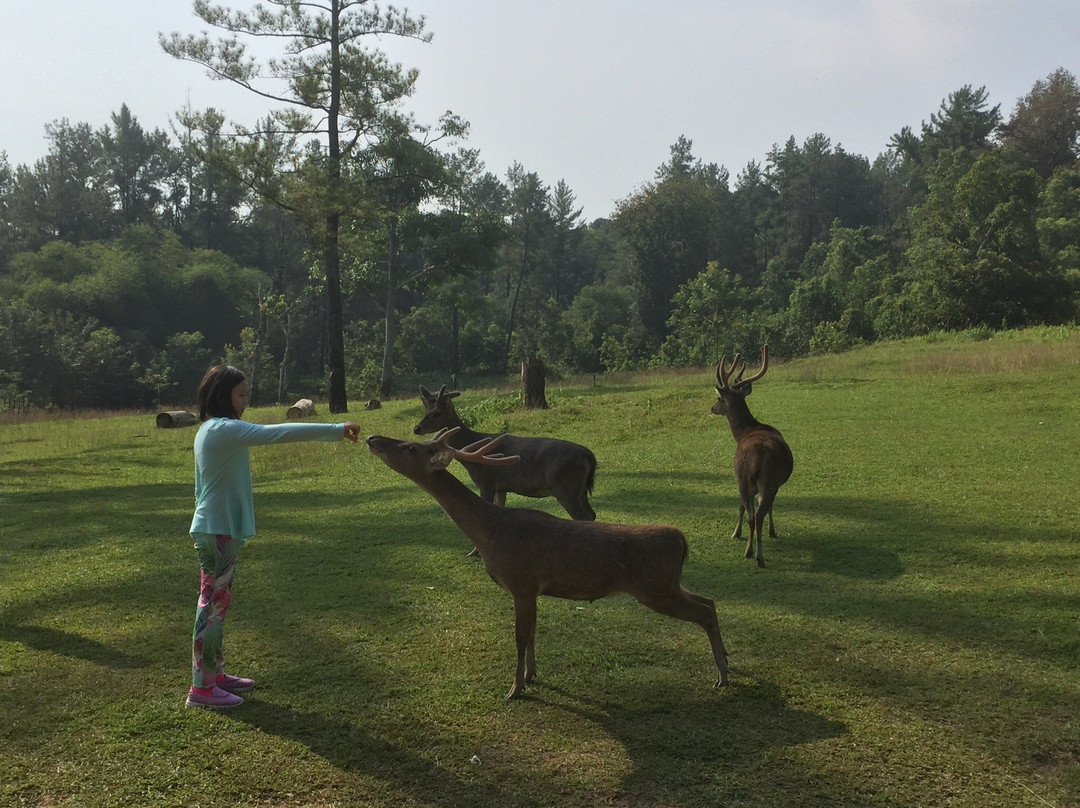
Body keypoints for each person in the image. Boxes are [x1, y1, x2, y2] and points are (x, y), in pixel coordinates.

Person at [185, 365, 361, 709]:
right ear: (224, 396)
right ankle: (202, 690)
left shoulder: (210, 430)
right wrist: (336, 429)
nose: (245, 401)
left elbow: (199, 487)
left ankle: (214, 675)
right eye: (241, 394)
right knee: (212, 606)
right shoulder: (225, 429)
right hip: (217, 529)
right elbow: (278, 433)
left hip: (216, 526)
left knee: (218, 603)